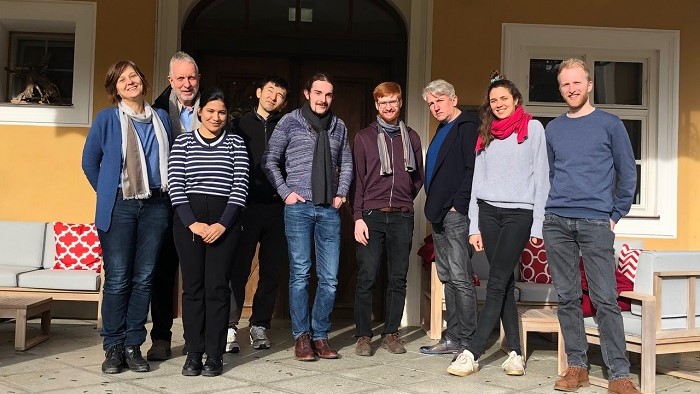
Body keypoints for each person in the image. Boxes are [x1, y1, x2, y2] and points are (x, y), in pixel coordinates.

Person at [543, 58, 639, 394]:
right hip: (556, 220)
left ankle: (619, 374)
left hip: (596, 220)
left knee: (605, 299)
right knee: (568, 298)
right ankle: (577, 367)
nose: (571, 89)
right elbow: (553, 174)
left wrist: (615, 214)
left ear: (589, 84)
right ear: (560, 89)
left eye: (577, 83)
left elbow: (628, 174)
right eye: (565, 84)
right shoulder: (553, 129)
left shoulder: (610, 124)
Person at [446, 72, 549, 377]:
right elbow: (478, 181)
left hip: (520, 214)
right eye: (494, 100)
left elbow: (542, 178)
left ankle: (472, 351)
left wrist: (537, 226)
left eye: (504, 98)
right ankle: (516, 353)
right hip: (488, 213)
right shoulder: (486, 132)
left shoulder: (533, 128)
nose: (499, 104)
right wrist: (474, 226)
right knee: (502, 283)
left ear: (516, 100)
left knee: (497, 280)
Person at [82, 60, 172, 374]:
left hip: (157, 206)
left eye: (133, 75)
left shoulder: (161, 117)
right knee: (118, 279)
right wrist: (110, 191)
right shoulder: (107, 119)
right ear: (115, 89)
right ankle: (113, 347)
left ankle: (134, 345)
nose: (129, 81)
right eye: (122, 79)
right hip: (120, 206)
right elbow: (89, 162)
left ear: (143, 80)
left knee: (144, 279)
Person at [262, 72, 353, 362]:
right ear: (307, 93)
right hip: (298, 208)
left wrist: (341, 194)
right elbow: (270, 159)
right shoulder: (289, 122)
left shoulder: (339, 126)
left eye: (328, 94)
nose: (323, 99)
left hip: (328, 209)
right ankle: (302, 338)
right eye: (318, 93)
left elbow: (347, 162)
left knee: (329, 278)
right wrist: (285, 191)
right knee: (300, 274)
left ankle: (320, 336)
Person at [168, 86, 249, 377]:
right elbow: (175, 186)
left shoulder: (236, 144)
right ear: (200, 112)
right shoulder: (184, 143)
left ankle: (214, 355)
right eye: (211, 111)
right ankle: (193, 353)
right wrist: (193, 223)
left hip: (224, 223)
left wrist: (221, 225)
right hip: (188, 223)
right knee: (193, 289)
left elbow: (240, 188)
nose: (216, 117)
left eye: (222, 112)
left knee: (217, 288)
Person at [351, 82, 424, 356]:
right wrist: (358, 216)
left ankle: (391, 333)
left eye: (393, 101)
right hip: (371, 216)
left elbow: (418, 178)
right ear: (376, 106)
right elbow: (357, 180)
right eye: (383, 103)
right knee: (367, 276)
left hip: (402, 217)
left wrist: (404, 200)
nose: (389, 107)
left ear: (401, 102)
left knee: (398, 277)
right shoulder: (364, 138)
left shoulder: (412, 137)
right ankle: (363, 336)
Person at [228, 76, 290, 353]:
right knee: (238, 269)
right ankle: (229, 325)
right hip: (245, 207)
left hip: (278, 208)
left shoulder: (286, 127)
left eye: (279, 95)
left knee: (271, 269)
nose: (273, 97)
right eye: (269, 91)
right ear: (258, 92)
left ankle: (259, 324)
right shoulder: (238, 125)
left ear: (284, 102)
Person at [419, 79, 479, 356]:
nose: (434, 107)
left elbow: (472, 168)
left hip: (455, 214)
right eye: (430, 103)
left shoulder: (467, 127)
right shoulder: (443, 128)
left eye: (439, 101)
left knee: (460, 276)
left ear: (453, 99)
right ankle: (453, 337)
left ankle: (466, 341)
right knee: (447, 276)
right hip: (438, 213)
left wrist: (459, 205)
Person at [148, 50, 201, 361]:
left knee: (199, 276)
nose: (186, 83)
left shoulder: (211, 109)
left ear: (199, 78)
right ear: (170, 81)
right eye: (180, 78)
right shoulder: (155, 112)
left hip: (201, 204)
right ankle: (161, 338)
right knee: (163, 274)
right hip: (166, 205)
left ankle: (199, 338)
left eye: (191, 76)